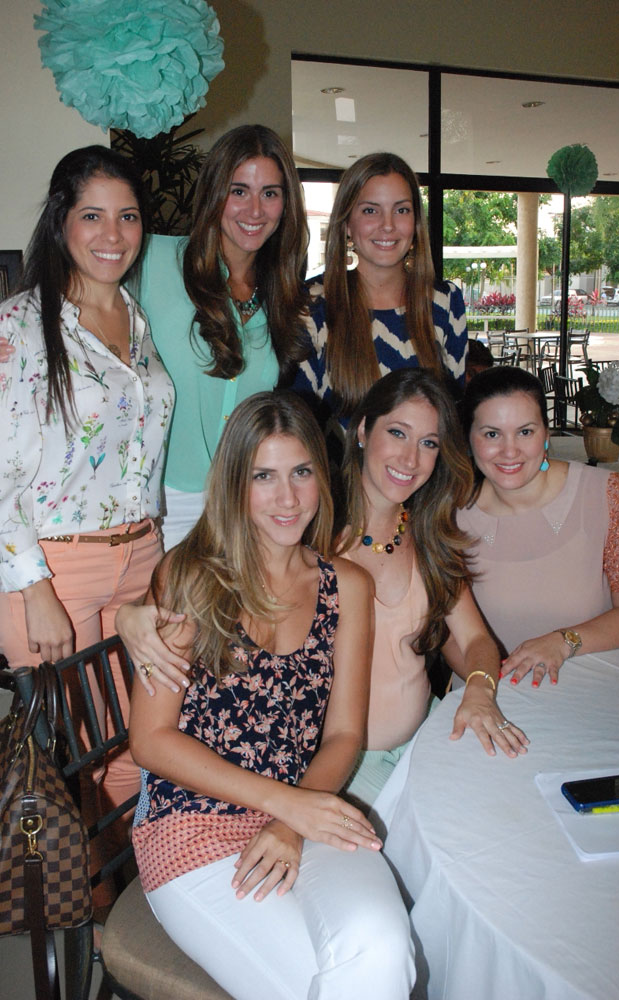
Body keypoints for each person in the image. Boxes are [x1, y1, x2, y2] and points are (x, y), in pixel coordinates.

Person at [128, 390, 415, 1000]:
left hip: (307, 810)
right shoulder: (189, 577)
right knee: (327, 984)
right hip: (193, 823)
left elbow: (344, 735)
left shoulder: (349, 587)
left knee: (384, 952)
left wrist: (293, 815)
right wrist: (285, 806)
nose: (287, 499)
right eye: (264, 476)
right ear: (235, 484)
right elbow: (150, 741)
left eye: (301, 473)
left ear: (321, 476)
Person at [0, 125, 310, 548]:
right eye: (238, 190)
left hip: (246, 502)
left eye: (271, 193)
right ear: (214, 192)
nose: (254, 209)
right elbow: (67, 289)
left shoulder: (284, 292)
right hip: (161, 504)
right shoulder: (153, 258)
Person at [0, 145, 175, 812]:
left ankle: (122, 895)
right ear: (62, 221)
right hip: (56, 571)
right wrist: (35, 591)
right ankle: (70, 901)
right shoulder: (20, 326)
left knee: (134, 742)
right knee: (70, 758)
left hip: (141, 560)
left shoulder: (136, 317)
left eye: (128, 216)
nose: (113, 235)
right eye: (93, 215)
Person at [336, 369, 528, 806]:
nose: (410, 459)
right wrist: (139, 616)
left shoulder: (427, 537)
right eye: (398, 433)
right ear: (364, 430)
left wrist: (479, 688)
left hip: (428, 735)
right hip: (346, 766)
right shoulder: (311, 536)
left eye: (428, 444)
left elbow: (477, 639)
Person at [455, 366, 619, 686]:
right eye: (491, 434)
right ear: (469, 439)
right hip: (488, 700)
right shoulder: (449, 518)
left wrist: (563, 641)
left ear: (547, 433)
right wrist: (489, 684)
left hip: (595, 695)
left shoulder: (607, 495)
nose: (510, 451)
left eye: (525, 431)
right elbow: (444, 633)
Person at [294, 152, 467, 433]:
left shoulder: (445, 301)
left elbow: (454, 416)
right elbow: (301, 427)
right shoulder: (311, 303)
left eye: (401, 210)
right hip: (339, 476)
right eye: (370, 210)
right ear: (347, 224)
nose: (388, 225)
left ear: (416, 223)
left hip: (425, 474)